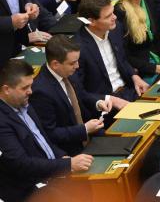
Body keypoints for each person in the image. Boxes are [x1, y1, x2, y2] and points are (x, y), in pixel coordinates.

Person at [0, 59, 92, 201]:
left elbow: (44, 141)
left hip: (52, 175)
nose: (30, 91)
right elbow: (21, 164)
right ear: (6, 89)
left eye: (31, 86)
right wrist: (67, 164)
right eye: (25, 88)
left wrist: (63, 157)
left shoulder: (25, 105)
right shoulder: (2, 121)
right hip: (29, 189)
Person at [29, 35, 108, 156]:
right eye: (72, 63)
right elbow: (51, 133)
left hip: (91, 136)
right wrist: (84, 129)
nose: (77, 66)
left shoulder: (69, 72)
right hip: (70, 151)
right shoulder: (41, 91)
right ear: (55, 64)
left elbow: (81, 95)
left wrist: (97, 103)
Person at [74, 0, 148, 103]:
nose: (115, 17)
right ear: (92, 21)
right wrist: (110, 100)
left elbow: (122, 60)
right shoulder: (77, 47)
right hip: (105, 103)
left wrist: (134, 76)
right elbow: (80, 92)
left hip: (129, 91)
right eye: (108, 16)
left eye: (113, 12)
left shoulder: (116, 28)